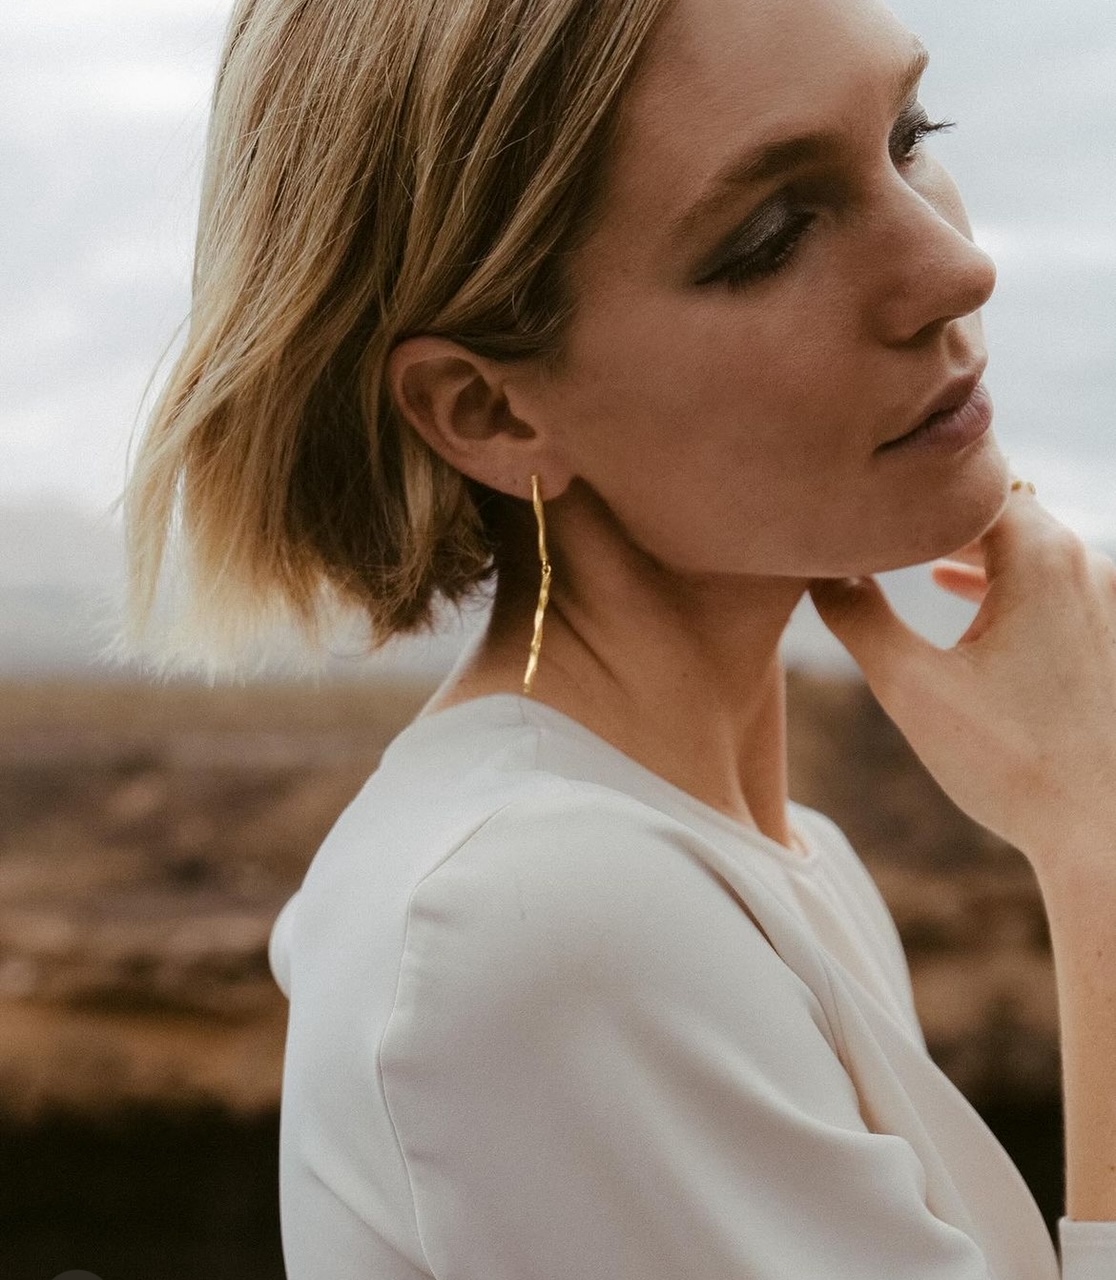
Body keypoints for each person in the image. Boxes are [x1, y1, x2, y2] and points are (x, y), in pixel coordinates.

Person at [120, 0, 1116, 1274]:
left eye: (910, 134)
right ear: (486, 409)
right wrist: (1095, 840)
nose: (956, 269)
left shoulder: (774, 859)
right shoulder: (540, 915)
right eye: (772, 235)